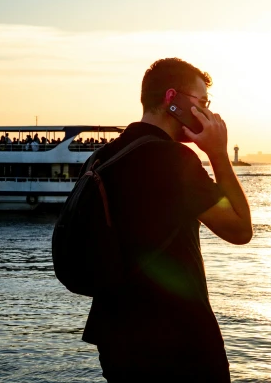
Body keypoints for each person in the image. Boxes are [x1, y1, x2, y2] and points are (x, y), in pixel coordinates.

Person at [81, 57, 252, 381]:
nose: (207, 113)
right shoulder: (173, 160)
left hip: (115, 333)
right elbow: (240, 229)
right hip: (176, 338)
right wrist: (217, 153)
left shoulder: (103, 155)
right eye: (201, 102)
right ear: (172, 99)